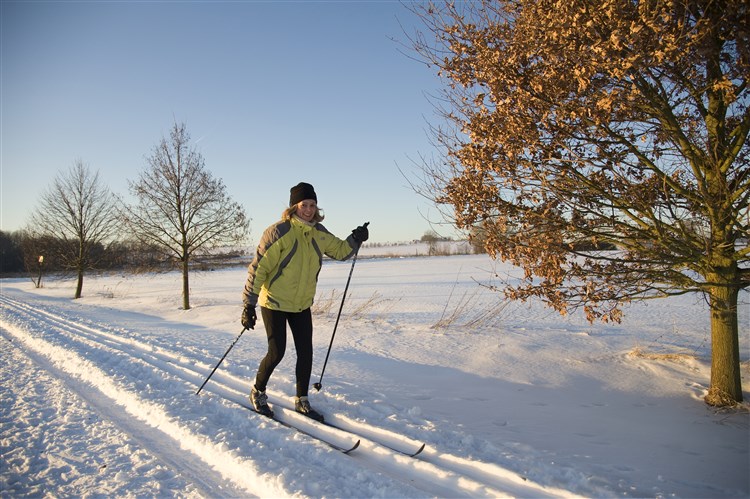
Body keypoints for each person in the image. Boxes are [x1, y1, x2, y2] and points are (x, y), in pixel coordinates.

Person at [241, 182, 368, 421]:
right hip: (274, 302)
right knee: (276, 352)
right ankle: (258, 391)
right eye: (303, 205)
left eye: (312, 205)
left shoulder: (319, 232)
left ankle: (302, 399)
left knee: (306, 352)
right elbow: (258, 270)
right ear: (293, 207)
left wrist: (355, 238)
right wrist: (249, 305)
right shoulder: (278, 232)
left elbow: (341, 251)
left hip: (301, 304)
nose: (308, 210)